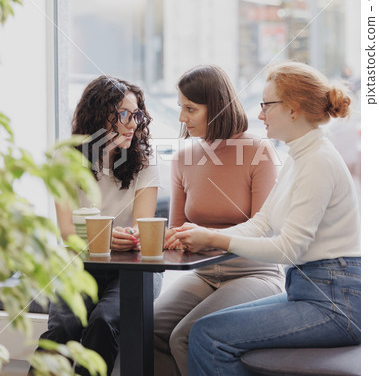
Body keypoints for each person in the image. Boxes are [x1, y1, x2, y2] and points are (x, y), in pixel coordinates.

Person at [173, 61, 361, 375]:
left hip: (334, 302)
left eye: (266, 105)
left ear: (293, 109)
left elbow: (289, 249)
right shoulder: (298, 157)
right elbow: (261, 224)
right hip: (308, 290)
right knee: (202, 329)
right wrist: (202, 233)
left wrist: (214, 238)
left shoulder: (317, 161)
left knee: (207, 335)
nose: (259, 115)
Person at [154, 65, 285, 376]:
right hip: (203, 274)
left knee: (184, 336)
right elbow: (178, 231)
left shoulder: (258, 151)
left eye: (191, 108)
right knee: (147, 326)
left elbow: (262, 230)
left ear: (216, 107)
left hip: (254, 274)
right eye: (180, 108)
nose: (182, 118)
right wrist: (162, 238)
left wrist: (204, 236)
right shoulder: (183, 159)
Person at [32, 75, 162, 376]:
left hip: (133, 267)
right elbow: (66, 231)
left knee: (105, 319)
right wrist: (101, 238)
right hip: (80, 262)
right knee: (65, 323)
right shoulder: (66, 158)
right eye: (125, 115)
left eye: (137, 115)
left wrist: (118, 238)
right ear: (99, 116)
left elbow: (142, 231)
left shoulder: (144, 161)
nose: (133, 124)